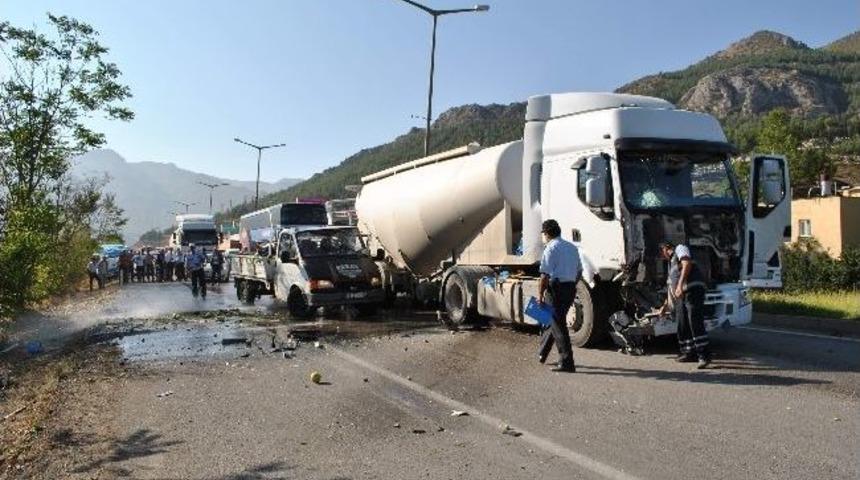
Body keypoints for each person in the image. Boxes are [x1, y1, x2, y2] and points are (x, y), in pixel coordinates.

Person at [536, 219, 580, 373]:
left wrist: (540, 295)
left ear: (547, 234)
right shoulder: (572, 247)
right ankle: (542, 353)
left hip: (556, 289)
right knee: (554, 321)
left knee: (557, 324)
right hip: (569, 288)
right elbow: (579, 271)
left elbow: (544, 275)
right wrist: (572, 285)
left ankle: (567, 362)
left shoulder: (551, 248)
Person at [658, 241, 710, 369]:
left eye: (661, 252)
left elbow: (687, 264)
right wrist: (664, 307)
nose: (661, 255)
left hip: (692, 289)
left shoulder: (680, 248)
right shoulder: (671, 266)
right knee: (682, 323)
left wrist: (680, 285)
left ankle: (704, 355)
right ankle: (688, 352)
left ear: (666, 248)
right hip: (681, 294)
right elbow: (671, 288)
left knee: (694, 320)